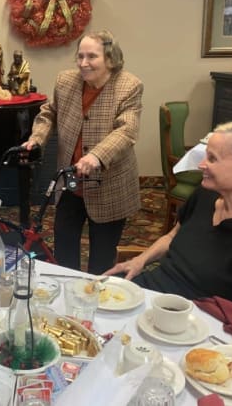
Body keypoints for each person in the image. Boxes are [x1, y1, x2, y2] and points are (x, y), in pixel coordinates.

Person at [105, 122, 232, 310]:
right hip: (153, 292)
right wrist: (139, 260)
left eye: (212, 159)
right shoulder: (206, 194)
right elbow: (172, 237)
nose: (201, 165)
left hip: (190, 315)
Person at [23, 30, 143, 274]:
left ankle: (97, 303)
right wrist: (37, 140)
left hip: (109, 185)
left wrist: (97, 156)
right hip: (70, 181)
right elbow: (49, 114)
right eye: (80, 56)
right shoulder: (66, 81)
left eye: (92, 57)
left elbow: (127, 130)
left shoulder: (129, 86)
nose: (83, 63)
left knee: (102, 257)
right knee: (64, 248)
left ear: (110, 59)